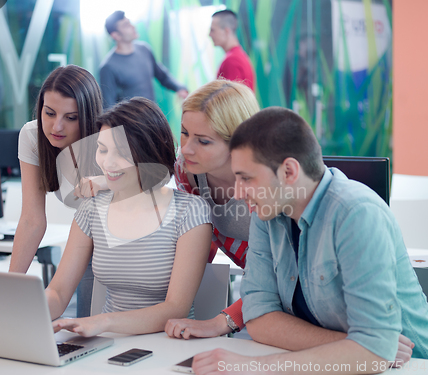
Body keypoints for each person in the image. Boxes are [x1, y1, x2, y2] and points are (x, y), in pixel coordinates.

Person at [191, 107, 428, 374]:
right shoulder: (266, 214)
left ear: (289, 172)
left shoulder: (357, 213)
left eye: (246, 178)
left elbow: (374, 356)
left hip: (410, 366)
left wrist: (251, 367)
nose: (237, 191)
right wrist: (357, 346)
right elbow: (258, 318)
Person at [46, 97, 212, 337]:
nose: (107, 163)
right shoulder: (92, 208)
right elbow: (59, 292)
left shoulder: (190, 211)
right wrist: (29, 310)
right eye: (102, 149)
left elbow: (176, 308)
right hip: (108, 343)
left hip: (170, 344)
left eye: (121, 152)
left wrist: (104, 322)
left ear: (148, 153)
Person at [165, 80, 259, 339]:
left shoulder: (266, 182)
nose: (186, 148)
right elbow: (200, 239)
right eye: (184, 133)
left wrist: (222, 322)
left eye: (203, 141)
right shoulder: (186, 169)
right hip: (251, 288)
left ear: (239, 142)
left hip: (283, 288)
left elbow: (276, 273)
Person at [9, 65, 103, 318]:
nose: (56, 126)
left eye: (71, 118)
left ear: (88, 116)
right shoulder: (32, 135)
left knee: (94, 325)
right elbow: (32, 219)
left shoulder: (107, 143)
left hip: (126, 250)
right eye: (49, 113)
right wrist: (9, 286)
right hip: (86, 243)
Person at [99, 10, 188, 109]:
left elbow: (162, 76)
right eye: (126, 25)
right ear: (116, 35)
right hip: (130, 123)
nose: (133, 27)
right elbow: (108, 108)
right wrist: (120, 126)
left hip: (152, 119)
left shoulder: (144, 49)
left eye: (130, 22)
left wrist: (180, 88)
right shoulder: (108, 67)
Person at [209, 10, 255, 91]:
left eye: (213, 30)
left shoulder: (232, 60)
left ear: (226, 31)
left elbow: (229, 102)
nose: (209, 34)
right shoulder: (237, 56)